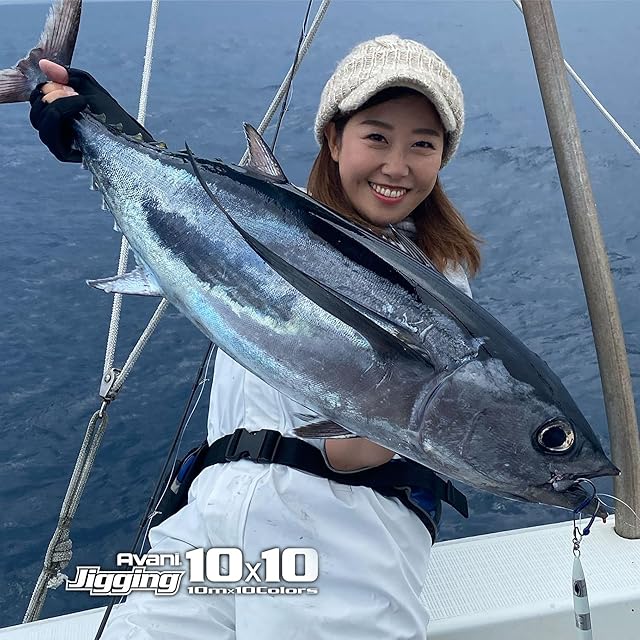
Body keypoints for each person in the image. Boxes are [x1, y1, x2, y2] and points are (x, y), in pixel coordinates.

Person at [30, 34, 480, 640]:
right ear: (334, 138)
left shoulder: (433, 281)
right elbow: (183, 203)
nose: (397, 166)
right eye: (377, 137)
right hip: (207, 517)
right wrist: (94, 122)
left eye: (422, 144)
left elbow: (352, 454)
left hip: (339, 528)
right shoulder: (266, 219)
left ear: (443, 158)